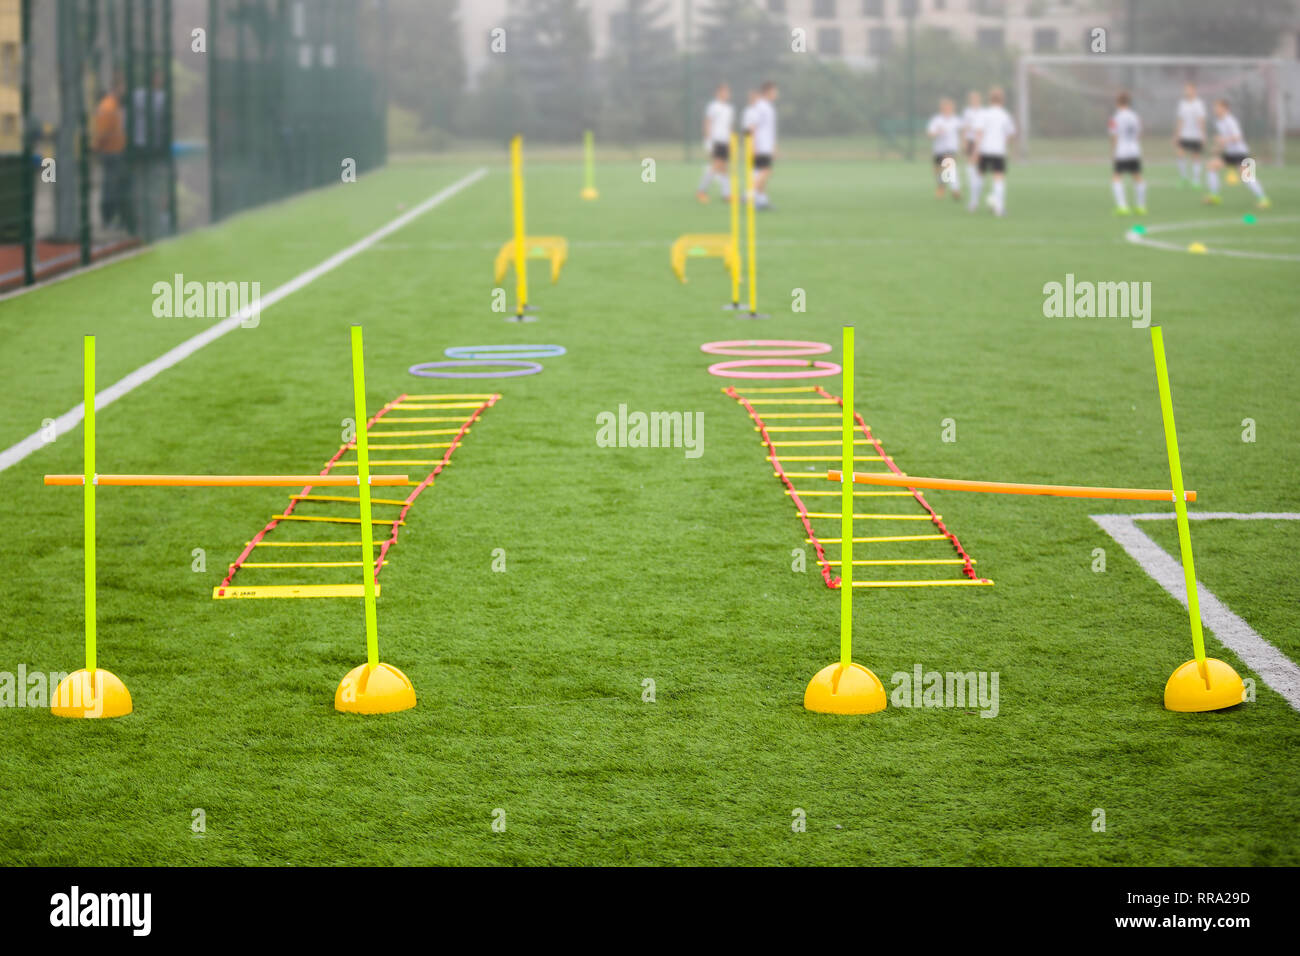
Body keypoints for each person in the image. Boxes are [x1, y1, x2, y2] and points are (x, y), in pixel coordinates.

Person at [1204, 99, 1269, 209]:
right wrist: (1218, 148)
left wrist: (1223, 140)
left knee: (1246, 177)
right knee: (1211, 166)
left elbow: (1238, 137)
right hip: (1230, 153)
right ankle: (1214, 196)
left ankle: (1263, 199)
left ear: (1225, 108)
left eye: (1217, 107)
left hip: (1240, 153)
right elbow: (1226, 140)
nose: (1215, 109)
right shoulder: (1219, 122)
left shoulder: (1230, 120)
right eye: (1215, 107)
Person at [971, 87, 1015, 216]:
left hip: (984, 150)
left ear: (990, 99)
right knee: (998, 179)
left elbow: (979, 133)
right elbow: (1010, 134)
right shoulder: (1005, 115)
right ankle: (999, 209)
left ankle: (973, 204)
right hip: (998, 151)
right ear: (1003, 100)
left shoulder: (984, 114)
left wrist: (975, 151)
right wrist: (1006, 144)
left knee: (979, 177)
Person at [91, 74, 127, 228]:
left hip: (116, 151)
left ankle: (112, 218)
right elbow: (103, 132)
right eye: (122, 86)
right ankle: (108, 218)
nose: (125, 89)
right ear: (117, 86)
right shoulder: (108, 106)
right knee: (110, 187)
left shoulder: (115, 105)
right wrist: (97, 148)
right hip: (111, 152)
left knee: (113, 185)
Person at [1108, 91, 1146, 215]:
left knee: (1117, 177)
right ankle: (1141, 206)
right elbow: (1139, 133)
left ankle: (1123, 207)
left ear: (1117, 102)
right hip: (1135, 150)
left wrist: (1113, 152)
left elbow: (1114, 136)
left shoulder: (1116, 117)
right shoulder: (1135, 116)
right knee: (1137, 177)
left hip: (1122, 151)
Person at [696, 83, 734, 204]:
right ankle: (701, 191)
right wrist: (708, 141)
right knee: (716, 166)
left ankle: (726, 194)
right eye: (725, 92)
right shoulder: (713, 106)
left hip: (725, 141)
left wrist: (731, 141)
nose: (727, 94)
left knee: (724, 168)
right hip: (716, 141)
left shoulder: (729, 109)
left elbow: (729, 126)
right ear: (718, 93)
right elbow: (707, 122)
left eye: (728, 92)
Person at [747, 80, 778, 210]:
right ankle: (749, 195)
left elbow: (770, 129)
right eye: (774, 91)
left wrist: (774, 147)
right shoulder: (761, 107)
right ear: (768, 92)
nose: (776, 93)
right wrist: (753, 146)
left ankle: (762, 201)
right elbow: (752, 126)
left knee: (762, 173)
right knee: (766, 171)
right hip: (761, 146)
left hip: (766, 146)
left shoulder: (768, 107)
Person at [926, 97, 962, 201]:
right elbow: (930, 134)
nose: (948, 109)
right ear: (942, 108)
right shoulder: (937, 120)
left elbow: (963, 130)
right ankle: (941, 186)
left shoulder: (956, 120)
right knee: (938, 171)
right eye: (945, 107)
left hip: (950, 148)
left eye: (950, 107)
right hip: (938, 149)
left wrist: (964, 144)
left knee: (950, 167)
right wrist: (937, 132)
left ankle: (956, 190)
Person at [1174, 82, 1206, 189]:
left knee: (1195, 157)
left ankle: (1196, 180)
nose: (1187, 91)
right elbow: (1180, 120)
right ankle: (1183, 178)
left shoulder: (1198, 104)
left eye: (1189, 89)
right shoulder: (1183, 104)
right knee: (1180, 154)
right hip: (1184, 134)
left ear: (1194, 90)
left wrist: (1202, 135)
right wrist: (1177, 134)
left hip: (1196, 135)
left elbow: (1201, 120)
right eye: (1186, 89)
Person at [960, 90, 983, 209]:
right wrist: (963, 142)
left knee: (979, 170)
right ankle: (973, 200)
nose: (974, 100)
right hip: (970, 141)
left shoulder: (983, 112)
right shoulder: (967, 112)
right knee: (970, 168)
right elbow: (964, 128)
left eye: (976, 98)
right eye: (972, 98)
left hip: (980, 143)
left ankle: (975, 198)